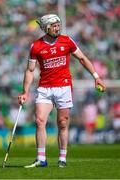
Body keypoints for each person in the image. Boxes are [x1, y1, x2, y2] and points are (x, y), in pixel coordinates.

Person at [18, 14, 106, 168]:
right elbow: (30, 70)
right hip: (44, 88)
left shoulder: (67, 41)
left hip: (63, 87)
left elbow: (82, 59)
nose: (58, 28)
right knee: (39, 121)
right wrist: (25, 92)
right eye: (54, 26)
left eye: (58, 25)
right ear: (46, 28)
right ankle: (41, 159)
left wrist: (96, 76)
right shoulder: (36, 46)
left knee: (62, 123)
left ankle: (62, 159)